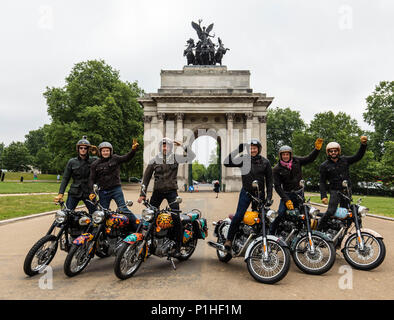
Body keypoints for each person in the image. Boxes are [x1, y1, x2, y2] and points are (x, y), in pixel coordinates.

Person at [137, 137, 196, 256]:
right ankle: (146, 243)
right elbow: (146, 179)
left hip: (172, 192)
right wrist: (142, 194)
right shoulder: (154, 160)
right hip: (157, 192)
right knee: (148, 218)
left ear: (170, 147)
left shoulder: (175, 158)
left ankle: (178, 247)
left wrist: (183, 145)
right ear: (160, 147)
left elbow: (191, 156)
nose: (165, 148)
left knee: (176, 218)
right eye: (163, 146)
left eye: (167, 146)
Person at [223, 139, 273, 250]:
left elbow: (269, 181)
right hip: (246, 192)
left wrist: (269, 197)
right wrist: (237, 151)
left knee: (261, 219)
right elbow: (227, 162)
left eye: (254, 148)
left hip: (260, 195)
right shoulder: (243, 159)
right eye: (250, 148)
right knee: (239, 215)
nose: (252, 150)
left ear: (258, 149)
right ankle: (229, 240)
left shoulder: (266, 162)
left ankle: (258, 242)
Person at [269, 138, 323, 235]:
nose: (285, 156)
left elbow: (309, 158)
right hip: (287, 195)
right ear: (280, 156)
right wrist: (286, 200)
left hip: (299, 194)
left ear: (290, 154)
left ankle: (308, 235)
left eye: (287, 154)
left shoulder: (297, 161)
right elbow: (277, 186)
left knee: (306, 214)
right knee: (280, 214)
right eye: (283, 154)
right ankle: (271, 235)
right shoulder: (276, 169)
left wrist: (317, 149)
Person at [318, 136, 368, 231]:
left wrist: (363, 145)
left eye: (335, 151)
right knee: (331, 211)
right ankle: (318, 230)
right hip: (335, 191)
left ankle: (340, 233)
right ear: (328, 152)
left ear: (338, 151)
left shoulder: (345, 160)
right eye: (331, 151)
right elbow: (322, 182)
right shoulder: (324, 166)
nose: (333, 153)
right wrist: (323, 196)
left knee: (345, 213)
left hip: (346, 191)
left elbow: (358, 156)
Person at [88, 139, 139, 231]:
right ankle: (104, 233)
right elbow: (91, 179)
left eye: (107, 150)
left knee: (123, 209)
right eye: (103, 151)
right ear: (100, 152)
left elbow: (126, 157)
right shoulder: (95, 164)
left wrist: (133, 150)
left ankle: (138, 227)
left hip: (116, 189)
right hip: (103, 191)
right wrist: (92, 192)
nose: (105, 152)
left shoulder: (115, 158)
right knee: (103, 213)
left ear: (110, 151)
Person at [54, 136, 97, 214]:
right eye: (81, 148)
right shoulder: (72, 161)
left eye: (85, 148)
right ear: (78, 149)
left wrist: (98, 153)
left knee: (96, 215)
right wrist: (61, 193)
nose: (83, 149)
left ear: (88, 149)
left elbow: (105, 161)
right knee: (66, 214)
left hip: (89, 192)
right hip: (74, 192)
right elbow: (65, 178)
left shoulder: (94, 160)